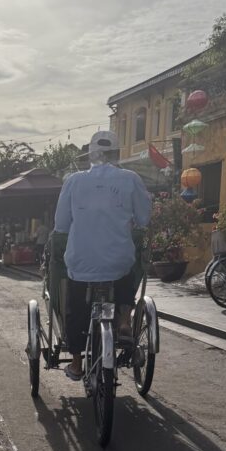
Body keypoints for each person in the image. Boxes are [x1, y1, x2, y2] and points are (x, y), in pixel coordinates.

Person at [53, 131, 151, 381]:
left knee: (76, 306)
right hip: (118, 260)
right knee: (125, 271)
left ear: (91, 155)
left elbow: (61, 225)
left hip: (81, 262)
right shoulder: (130, 179)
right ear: (116, 154)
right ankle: (124, 320)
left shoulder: (73, 181)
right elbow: (144, 219)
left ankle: (76, 363)